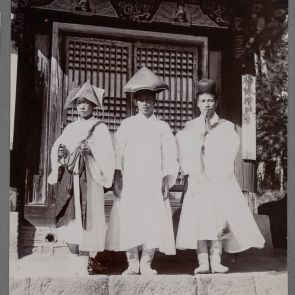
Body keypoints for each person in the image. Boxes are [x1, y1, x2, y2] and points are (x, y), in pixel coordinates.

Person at [176, 79, 265, 274]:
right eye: (202, 101)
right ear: (197, 103)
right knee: (199, 219)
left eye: (210, 101)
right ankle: (203, 263)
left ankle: (216, 261)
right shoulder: (189, 127)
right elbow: (183, 153)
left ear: (215, 102)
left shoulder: (226, 127)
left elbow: (228, 154)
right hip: (198, 181)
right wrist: (198, 139)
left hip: (218, 180)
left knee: (218, 220)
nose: (206, 105)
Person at [105, 66, 179, 275]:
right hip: (132, 181)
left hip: (153, 181)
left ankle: (147, 262)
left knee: (152, 218)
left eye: (149, 99)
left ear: (155, 101)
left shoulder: (162, 127)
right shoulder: (126, 125)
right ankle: (132, 262)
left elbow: (169, 155)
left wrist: (166, 179)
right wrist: (118, 176)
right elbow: (118, 153)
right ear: (135, 102)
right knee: (130, 218)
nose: (145, 103)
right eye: (142, 99)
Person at [48, 81, 115, 274]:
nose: (82, 106)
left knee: (89, 217)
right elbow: (57, 150)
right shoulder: (70, 128)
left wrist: (90, 152)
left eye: (86, 103)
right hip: (71, 178)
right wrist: (62, 154)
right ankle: (73, 261)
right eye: (79, 103)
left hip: (91, 180)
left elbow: (107, 156)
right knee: (70, 218)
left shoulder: (100, 128)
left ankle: (85, 261)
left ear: (93, 105)